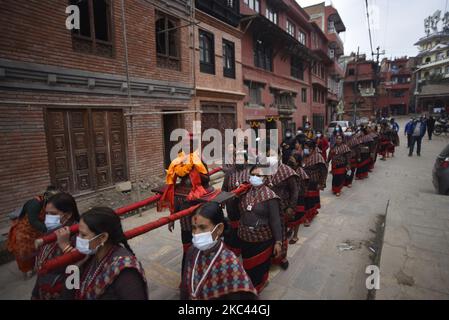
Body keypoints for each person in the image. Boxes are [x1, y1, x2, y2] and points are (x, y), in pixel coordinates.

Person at [60, 207, 148, 300]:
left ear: (102, 237)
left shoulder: (126, 272)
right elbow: (69, 294)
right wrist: (74, 268)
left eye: (83, 235)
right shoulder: (90, 257)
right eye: (78, 233)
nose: (78, 238)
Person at [158, 134, 216, 274]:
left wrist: (195, 169)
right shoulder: (180, 160)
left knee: (203, 240)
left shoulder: (199, 159)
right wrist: (171, 218)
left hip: (198, 199)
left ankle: (204, 269)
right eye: (184, 144)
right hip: (183, 205)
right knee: (187, 243)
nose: (187, 147)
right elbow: (173, 185)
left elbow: (206, 178)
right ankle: (187, 273)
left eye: (189, 144)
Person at [180, 202, 258, 300]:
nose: (196, 233)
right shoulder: (192, 251)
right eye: (194, 228)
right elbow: (185, 288)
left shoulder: (230, 263)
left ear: (219, 229)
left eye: (202, 227)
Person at [238, 164, 282, 293]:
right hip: (245, 236)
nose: (255, 177)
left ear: (265, 177)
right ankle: (250, 283)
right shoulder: (244, 191)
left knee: (259, 267)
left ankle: (258, 285)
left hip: (262, 239)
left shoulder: (270, 196)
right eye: (253, 175)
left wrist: (278, 242)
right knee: (247, 264)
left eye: (259, 175)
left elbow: (275, 220)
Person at [32, 193, 80, 300]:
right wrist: (35, 294)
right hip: (44, 291)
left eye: (52, 214)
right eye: (47, 213)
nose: (48, 218)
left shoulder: (79, 235)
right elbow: (41, 268)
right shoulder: (51, 232)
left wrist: (65, 246)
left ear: (67, 215)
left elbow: (77, 273)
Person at [7, 186, 60, 278]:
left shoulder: (47, 204)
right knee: (24, 252)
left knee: (39, 249)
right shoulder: (35, 204)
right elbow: (33, 221)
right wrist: (49, 230)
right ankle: (27, 271)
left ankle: (38, 265)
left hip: (37, 230)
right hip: (25, 231)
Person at [265, 151, 299, 270]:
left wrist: (291, 207)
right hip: (266, 208)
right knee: (268, 234)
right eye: (268, 155)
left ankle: (282, 257)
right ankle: (269, 257)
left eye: (273, 155)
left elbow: (295, 191)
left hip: (282, 208)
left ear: (279, 155)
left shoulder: (287, 171)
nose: (270, 158)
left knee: (281, 233)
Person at [221, 145, 249, 257]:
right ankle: (235, 248)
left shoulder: (250, 171)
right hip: (232, 205)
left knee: (244, 226)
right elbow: (224, 188)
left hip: (246, 206)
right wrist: (223, 200)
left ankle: (244, 247)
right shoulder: (229, 172)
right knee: (234, 227)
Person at [287, 143, 309, 244]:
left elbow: (304, 186)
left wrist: (298, 193)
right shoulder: (289, 170)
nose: (291, 162)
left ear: (298, 162)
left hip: (298, 198)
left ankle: (295, 235)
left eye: (293, 161)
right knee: (289, 216)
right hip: (289, 197)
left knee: (297, 217)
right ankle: (290, 230)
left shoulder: (300, 171)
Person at [302, 140, 328, 227]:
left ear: (312, 149)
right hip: (303, 182)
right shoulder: (303, 156)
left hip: (313, 182)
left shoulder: (318, 157)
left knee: (310, 200)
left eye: (307, 148)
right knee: (304, 200)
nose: (305, 150)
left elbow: (323, 171)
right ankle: (307, 214)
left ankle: (309, 217)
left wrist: (321, 183)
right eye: (304, 148)